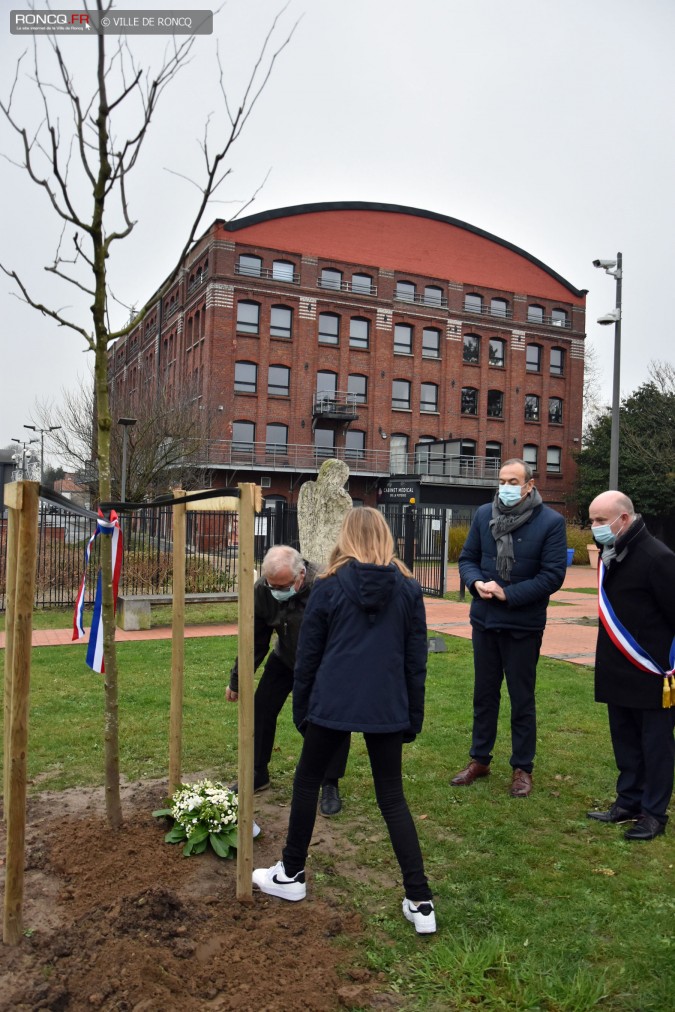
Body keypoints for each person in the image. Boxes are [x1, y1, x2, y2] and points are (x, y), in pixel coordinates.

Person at [252, 508, 436, 934]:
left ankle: (293, 872)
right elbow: (415, 662)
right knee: (392, 798)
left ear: (346, 537)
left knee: (308, 782)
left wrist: (304, 708)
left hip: (336, 702)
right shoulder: (406, 588)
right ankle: (420, 899)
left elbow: (311, 657)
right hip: (382, 704)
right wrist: (412, 715)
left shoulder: (332, 587)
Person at [452, 458, 567, 797]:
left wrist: (509, 594)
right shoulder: (483, 514)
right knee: (484, 695)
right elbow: (467, 559)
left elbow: (552, 576)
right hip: (485, 621)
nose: (506, 486)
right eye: (502, 480)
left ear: (529, 485)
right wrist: (476, 585)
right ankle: (480, 759)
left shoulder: (551, 522)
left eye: (513, 481)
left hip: (523, 625)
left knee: (521, 699)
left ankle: (522, 768)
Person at [227, 545, 349, 816]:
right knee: (262, 706)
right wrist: (237, 680)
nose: (277, 592)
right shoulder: (263, 591)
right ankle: (258, 772)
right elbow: (255, 640)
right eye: (272, 586)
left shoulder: (326, 585)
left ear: (301, 574)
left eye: (282, 585)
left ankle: (330, 783)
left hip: (323, 664)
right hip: (286, 657)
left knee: (331, 720)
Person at [586, 491, 675, 841]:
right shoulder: (613, 554)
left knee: (655, 746)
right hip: (617, 669)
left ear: (623, 519)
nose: (594, 528)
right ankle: (628, 801)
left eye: (599, 520)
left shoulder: (658, 557)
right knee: (624, 741)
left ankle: (653, 813)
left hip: (651, 672)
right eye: (591, 520)